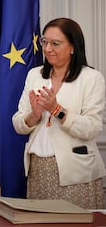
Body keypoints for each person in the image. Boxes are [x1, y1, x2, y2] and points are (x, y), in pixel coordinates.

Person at [12, 17, 106, 209]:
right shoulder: (35, 75)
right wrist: (35, 115)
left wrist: (57, 110)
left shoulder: (91, 78)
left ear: (73, 47)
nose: (47, 49)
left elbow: (92, 128)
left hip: (76, 172)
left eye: (55, 43)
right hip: (39, 170)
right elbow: (18, 123)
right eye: (44, 42)